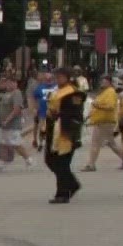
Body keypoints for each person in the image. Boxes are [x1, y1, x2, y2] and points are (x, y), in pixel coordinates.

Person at [44, 68, 85, 203]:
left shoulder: (73, 92)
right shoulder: (57, 91)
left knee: (62, 162)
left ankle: (63, 192)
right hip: (54, 129)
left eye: (61, 76)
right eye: (57, 76)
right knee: (51, 160)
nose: (58, 79)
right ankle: (71, 185)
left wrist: (60, 114)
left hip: (66, 130)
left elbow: (75, 112)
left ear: (67, 77)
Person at [80, 73, 121, 173]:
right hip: (101, 121)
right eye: (101, 81)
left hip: (105, 121)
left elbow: (110, 106)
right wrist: (89, 116)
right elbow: (96, 106)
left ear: (110, 83)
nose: (102, 83)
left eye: (104, 81)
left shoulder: (111, 92)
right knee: (111, 144)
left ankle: (91, 164)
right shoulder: (104, 92)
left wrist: (98, 106)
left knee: (96, 143)